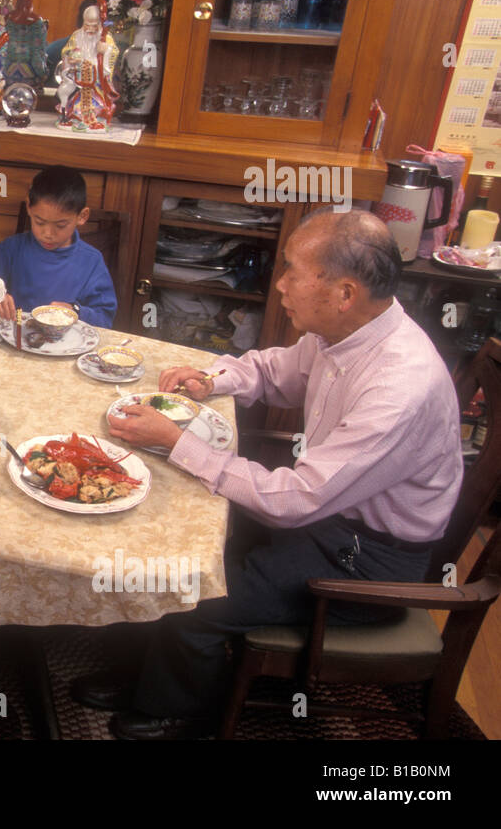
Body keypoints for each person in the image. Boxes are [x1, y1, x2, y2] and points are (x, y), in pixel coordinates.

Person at [79, 210, 463, 739]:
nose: (279, 283)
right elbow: (274, 372)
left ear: (344, 293)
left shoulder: (400, 386)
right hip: (329, 516)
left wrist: (177, 442)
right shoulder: (348, 332)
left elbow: (299, 500)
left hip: (364, 560)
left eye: (292, 271)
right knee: (171, 540)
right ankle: (144, 674)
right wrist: (209, 378)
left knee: (197, 588)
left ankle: (179, 712)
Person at [0, 166, 117, 326]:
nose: (48, 233)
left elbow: (105, 318)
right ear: (29, 208)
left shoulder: (91, 261)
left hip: (67, 345)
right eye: (39, 222)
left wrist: (75, 311)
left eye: (60, 225)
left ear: (82, 216)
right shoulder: (11, 249)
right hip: (15, 335)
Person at [56, 4, 119, 131]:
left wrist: (106, 50)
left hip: (96, 82)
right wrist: (71, 58)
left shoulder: (106, 38)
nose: (90, 29)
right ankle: (75, 118)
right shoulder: (77, 35)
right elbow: (67, 51)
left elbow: (113, 54)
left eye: (94, 25)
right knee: (75, 102)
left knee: (97, 104)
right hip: (80, 78)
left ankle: (96, 118)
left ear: (100, 24)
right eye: (87, 25)